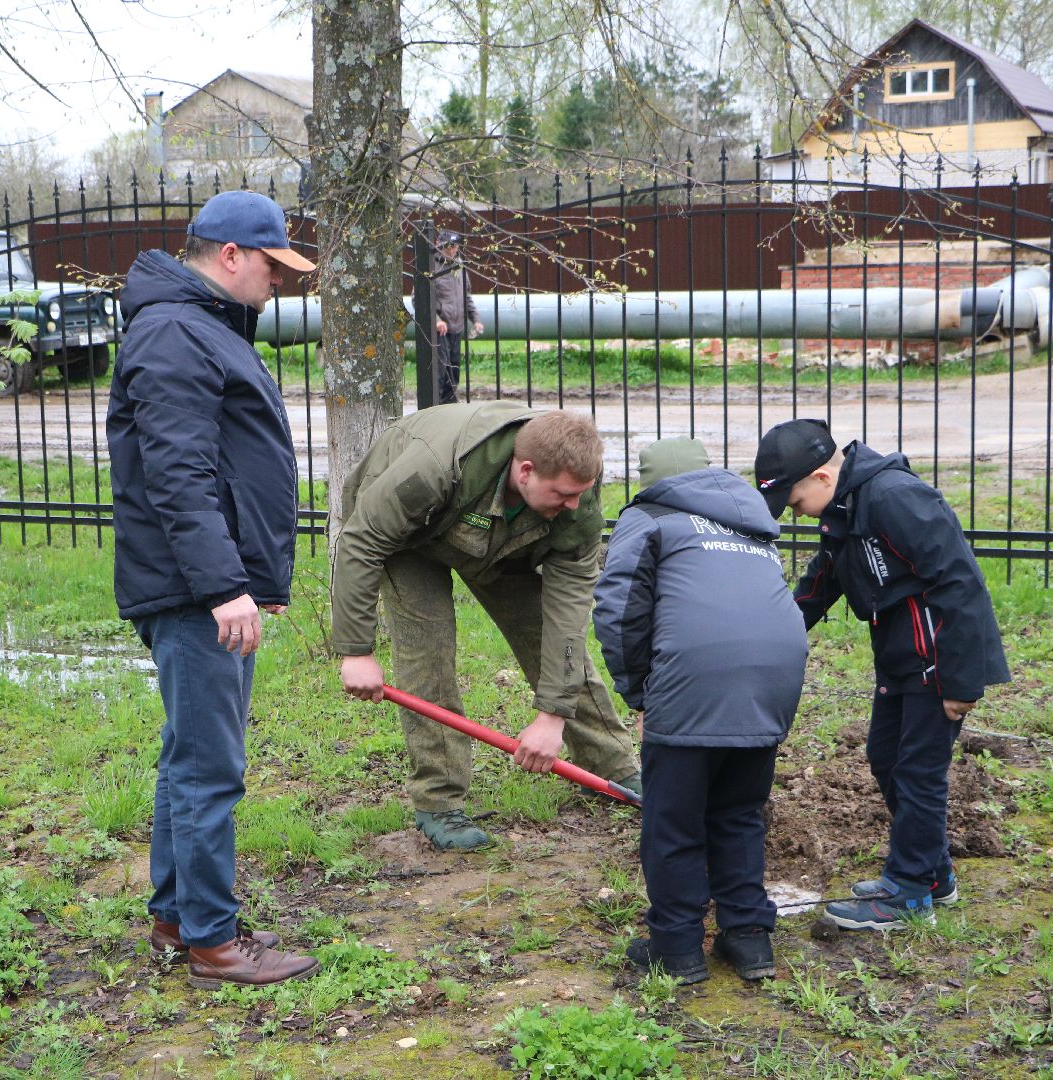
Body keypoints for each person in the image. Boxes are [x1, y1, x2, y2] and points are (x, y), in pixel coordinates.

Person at [107, 189, 319, 988]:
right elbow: (179, 475)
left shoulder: (198, 325)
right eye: (272, 264)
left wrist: (249, 577)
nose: (279, 282)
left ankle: (175, 919)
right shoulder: (174, 332)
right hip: (196, 593)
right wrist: (227, 586)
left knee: (186, 756)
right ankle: (212, 942)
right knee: (208, 766)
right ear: (230, 255)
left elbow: (222, 464)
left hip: (206, 585)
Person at [332, 402, 639, 851]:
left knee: (546, 636)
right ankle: (439, 802)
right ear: (526, 470)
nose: (574, 505)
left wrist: (552, 714)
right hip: (410, 539)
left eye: (581, 494)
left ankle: (613, 766)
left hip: (502, 537)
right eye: (563, 494)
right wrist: (356, 650)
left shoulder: (574, 502)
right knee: (428, 654)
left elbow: (568, 614)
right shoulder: (435, 466)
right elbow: (362, 540)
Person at [753, 419, 1010, 931]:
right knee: (886, 757)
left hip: (935, 656)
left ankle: (909, 891)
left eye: (795, 499)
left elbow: (959, 581)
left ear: (823, 478)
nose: (795, 512)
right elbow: (821, 582)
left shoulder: (894, 497)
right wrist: (770, 631)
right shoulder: (846, 507)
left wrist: (960, 681)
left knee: (918, 770)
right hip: (899, 654)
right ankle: (933, 874)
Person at [593, 438, 807, 983]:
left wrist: (639, 693)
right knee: (738, 813)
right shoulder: (751, 523)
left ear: (653, 481)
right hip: (771, 681)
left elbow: (618, 611)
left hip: (692, 683)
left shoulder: (648, 516)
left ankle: (678, 948)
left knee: (674, 824)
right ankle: (749, 938)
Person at [431, 230, 483, 404]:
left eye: (455, 247)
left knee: (454, 371)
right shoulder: (431, 266)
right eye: (448, 247)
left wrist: (475, 319)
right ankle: (433, 407)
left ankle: (450, 407)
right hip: (439, 330)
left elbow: (466, 295)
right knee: (440, 372)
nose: (452, 251)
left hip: (457, 326)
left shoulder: (459, 266)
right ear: (439, 244)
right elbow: (420, 298)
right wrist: (437, 320)